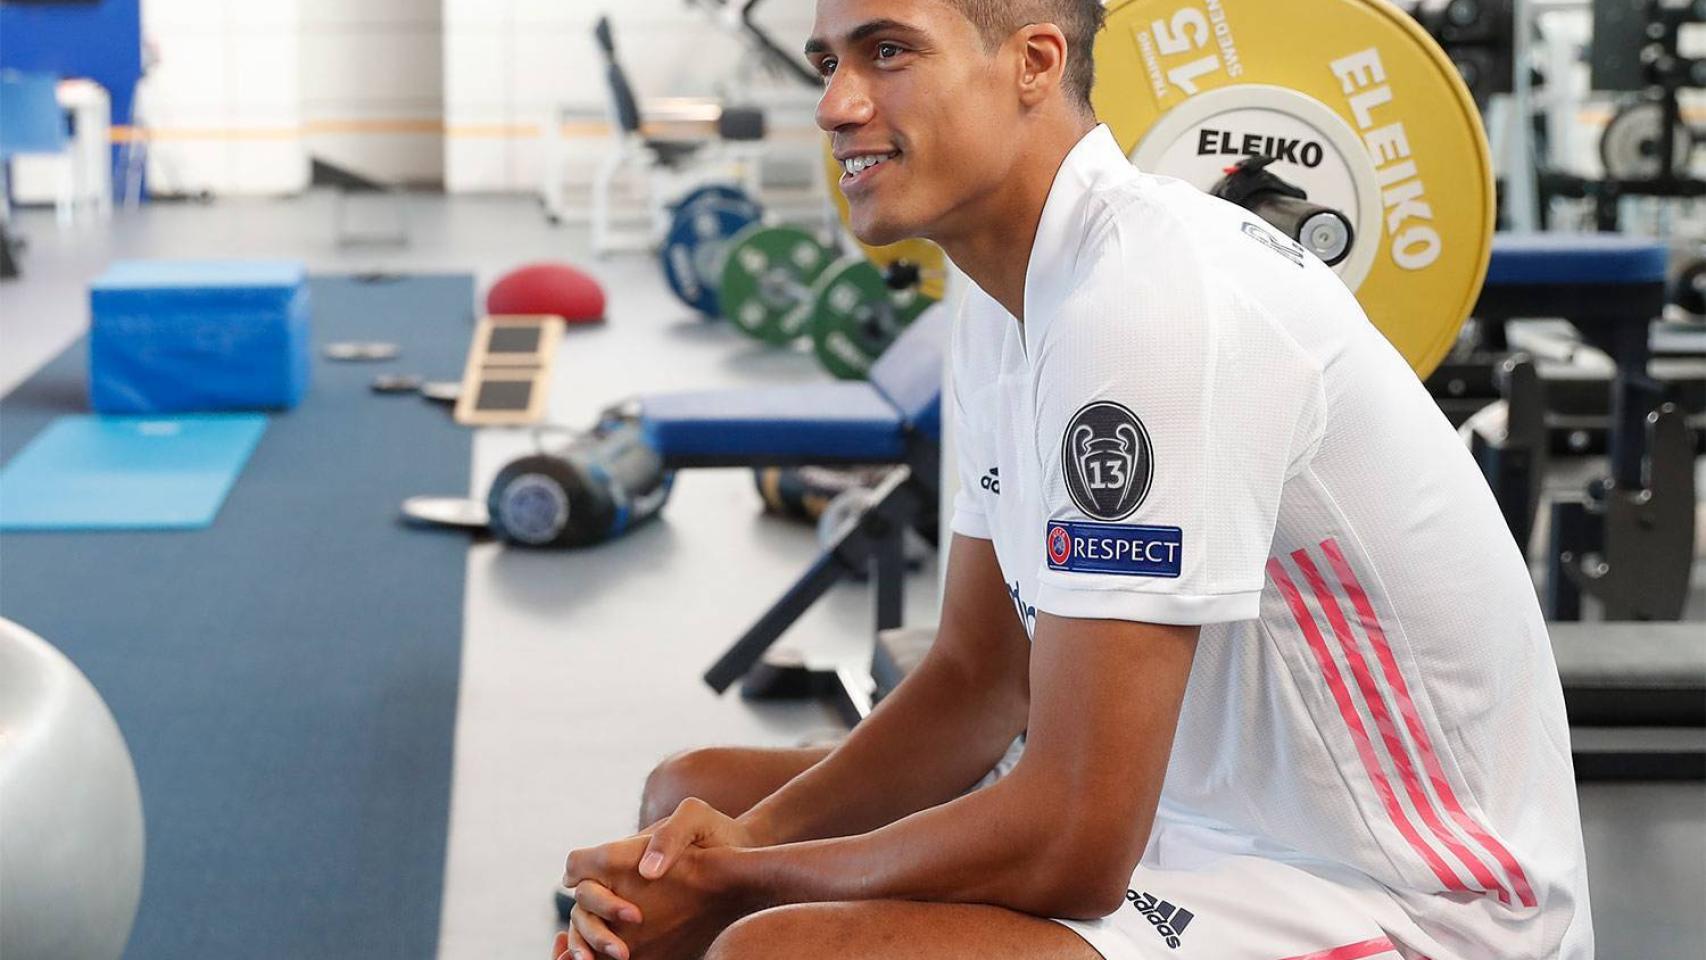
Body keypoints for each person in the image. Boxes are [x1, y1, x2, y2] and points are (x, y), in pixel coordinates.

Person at [556, 1, 1592, 957]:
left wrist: (739, 885)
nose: (835, 105)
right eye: (828, 62)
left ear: (1032, 63)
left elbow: (1074, 841)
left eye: (888, 51)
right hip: (1183, 828)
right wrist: (717, 850)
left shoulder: (1147, 304)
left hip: (1396, 899)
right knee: (684, 793)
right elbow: (978, 676)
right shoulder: (991, 300)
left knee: (766, 951)